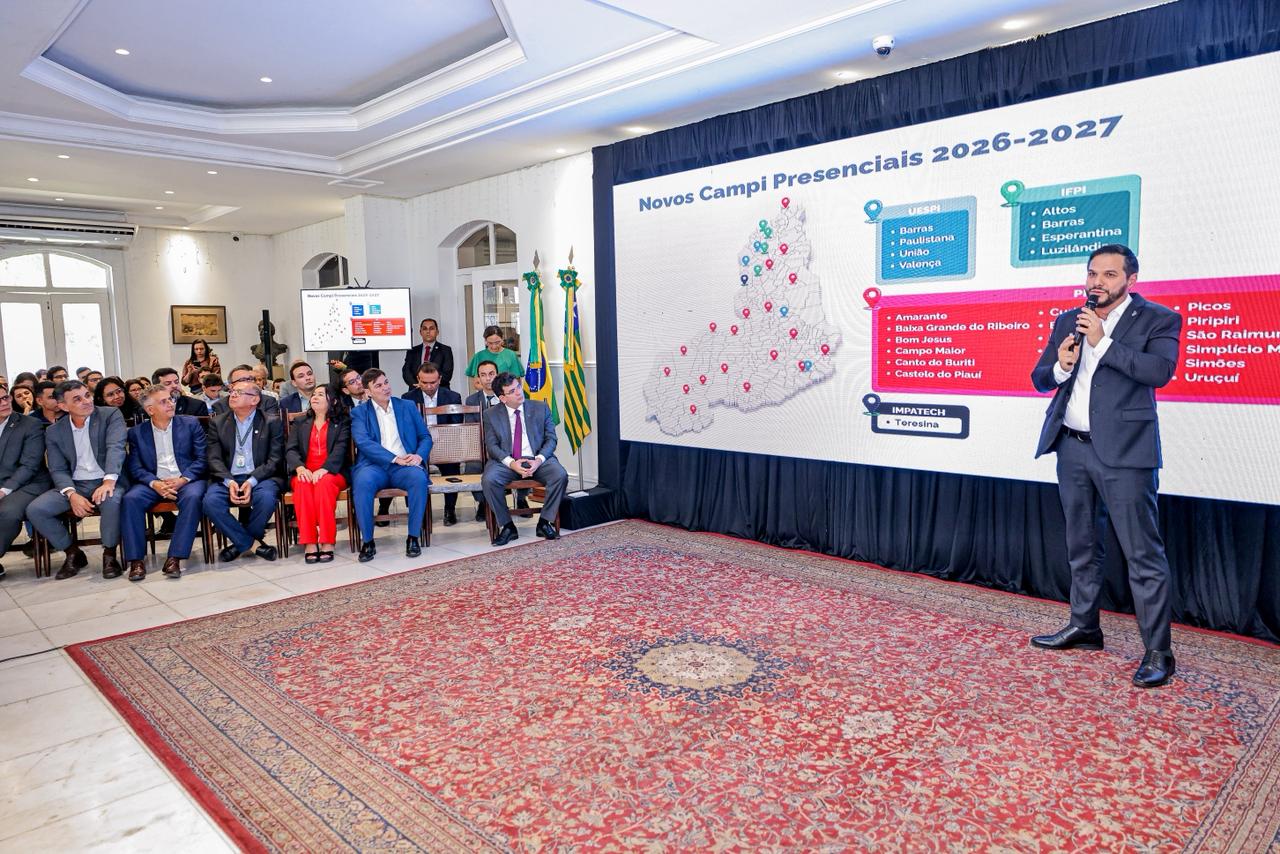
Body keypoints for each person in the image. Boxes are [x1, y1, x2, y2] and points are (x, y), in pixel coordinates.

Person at [1029, 244, 1182, 689]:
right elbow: (1040, 378)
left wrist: (1103, 342)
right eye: (1093, 273)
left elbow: (1158, 372)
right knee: (1081, 545)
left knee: (1142, 554)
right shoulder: (1068, 320)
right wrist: (1061, 367)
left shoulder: (1158, 319)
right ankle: (1084, 627)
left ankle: (1159, 652)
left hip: (1127, 455)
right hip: (1072, 449)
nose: (1098, 282)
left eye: (1110, 275)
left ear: (1130, 280)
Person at [26, 380, 126, 579]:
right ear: (63, 406)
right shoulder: (54, 431)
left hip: (107, 478)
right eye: (77, 399)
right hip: (75, 484)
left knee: (111, 500)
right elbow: (57, 468)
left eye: (87, 395)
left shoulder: (109, 415)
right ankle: (73, 553)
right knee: (36, 509)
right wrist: (71, 494)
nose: (86, 401)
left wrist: (108, 481)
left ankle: (109, 554)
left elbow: (116, 447)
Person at [121, 385, 208, 580]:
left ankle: (174, 558)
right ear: (150, 409)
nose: (171, 403)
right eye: (164, 401)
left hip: (187, 479)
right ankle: (136, 561)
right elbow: (135, 467)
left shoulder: (190, 423)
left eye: (171, 399)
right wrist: (155, 483)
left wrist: (182, 480)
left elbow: (202, 458)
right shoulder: (137, 433)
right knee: (130, 499)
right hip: (154, 482)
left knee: (193, 497)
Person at [350, 368, 431, 561]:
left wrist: (418, 456)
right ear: (368, 391)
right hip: (373, 466)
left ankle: (413, 537)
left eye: (386, 382)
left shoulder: (407, 406)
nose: (385, 388)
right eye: (378, 385)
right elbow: (363, 442)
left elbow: (425, 437)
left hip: (404, 466)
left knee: (418, 479)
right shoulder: (359, 412)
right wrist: (394, 458)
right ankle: (368, 541)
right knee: (362, 483)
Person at [481, 372, 567, 546]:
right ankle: (507, 526)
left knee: (559, 475)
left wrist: (539, 460)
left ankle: (544, 522)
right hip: (507, 461)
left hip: (537, 459)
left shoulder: (540, 408)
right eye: (512, 391)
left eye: (518, 387)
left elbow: (551, 439)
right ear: (502, 398)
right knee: (489, 480)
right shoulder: (490, 414)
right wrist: (511, 463)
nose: (519, 392)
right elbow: (492, 446)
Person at [203, 381, 283, 562]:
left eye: (239, 392)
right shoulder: (218, 422)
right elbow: (213, 458)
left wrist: (251, 481)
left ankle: (239, 543)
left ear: (255, 399)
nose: (232, 394)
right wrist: (229, 481)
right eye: (232, 391)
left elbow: (275, 459)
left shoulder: (271, 422)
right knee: (210, 501)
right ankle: (252, 544)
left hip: (261, 477)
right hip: (228, 478)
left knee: (266, 497)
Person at [286, 385, 350, 563]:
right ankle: (309, 541)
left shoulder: (342, 422)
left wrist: (325, 469)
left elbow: (341, 449)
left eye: (321, 394)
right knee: (302, 484)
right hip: (305, 471)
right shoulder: (300, 422)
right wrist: (300, 468)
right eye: (314, 394)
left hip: (333, 472)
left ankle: (328, 541)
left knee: (324, 484)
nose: (315, 397)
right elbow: (291, 450)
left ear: (333, 401)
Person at [0, 383, 52, 580]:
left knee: (7, 512)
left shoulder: (30, 424)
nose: (4, 403)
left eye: (5, 397)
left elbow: (29, 466)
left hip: (29, 483)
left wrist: (3, 491)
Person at [403, 362, 463, 525]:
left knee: (452, 467)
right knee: (410, 469)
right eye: (424, 382)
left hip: (444, 443)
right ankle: (418, 510)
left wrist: (441, 442)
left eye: (433, 382)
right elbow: (407, 429)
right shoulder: (408, 398)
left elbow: (456, 427)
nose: (429, 386)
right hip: (419, 446)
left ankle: (449, 509)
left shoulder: (452, 397)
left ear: (440, 379)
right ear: (418, 379)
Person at [464, 359, 503, 521]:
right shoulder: (471, 400)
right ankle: (483, 502)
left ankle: (521, 499)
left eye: (491, 374)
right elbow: (472, 430)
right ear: (478, 378)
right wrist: (484, 448)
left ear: (497, 375)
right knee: (472, 465)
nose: (488, 378)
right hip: (481, 446)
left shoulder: (507, 396)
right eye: (483, 375)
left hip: (505, 447)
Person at [401, 318, 455, 390]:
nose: (428, 331)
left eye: (431, 328)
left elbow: (447, 374)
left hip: (439, 390)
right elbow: (406, 372)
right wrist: (419, 385)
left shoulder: (445, 350)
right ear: (420, 332)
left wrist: (429, 384)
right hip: (416, 389)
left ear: (437, 332)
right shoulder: (412, 351)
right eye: (425, 329)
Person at [211, 365, 281, 416]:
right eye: (243, 380)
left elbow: (270, 428)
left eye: (251, 379)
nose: (249, 382)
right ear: (231, 386)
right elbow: (223, 430)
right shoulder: (220, 406)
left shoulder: (268, 402)